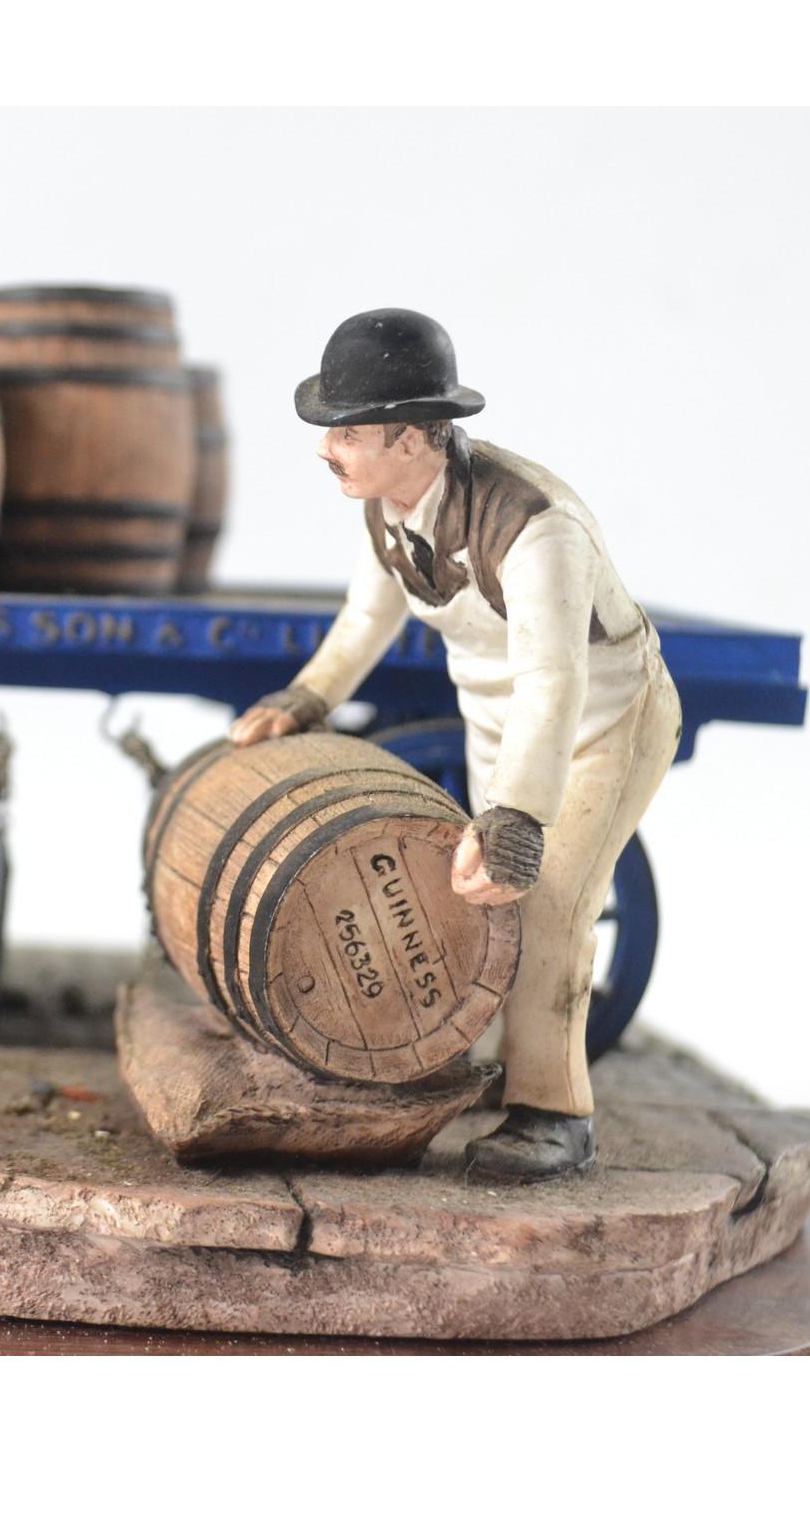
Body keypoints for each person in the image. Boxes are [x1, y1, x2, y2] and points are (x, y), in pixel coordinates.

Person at [230, 309, 682, 1182]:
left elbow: (554, 679)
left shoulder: (533, 526)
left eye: (347, 432)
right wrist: (309, 695)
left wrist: (517, 814)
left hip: (598, 726)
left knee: (546, 910)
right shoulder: (387, 508)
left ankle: (553, 1115)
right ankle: (486, 1064)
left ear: (411, 436)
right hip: (499, 724)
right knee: (478, 906)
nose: (327, 449)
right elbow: (366, 617)